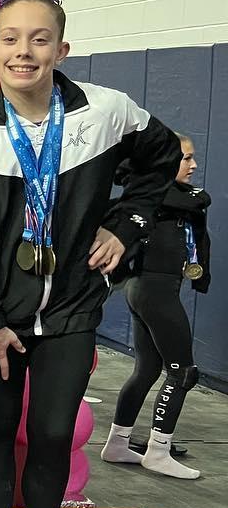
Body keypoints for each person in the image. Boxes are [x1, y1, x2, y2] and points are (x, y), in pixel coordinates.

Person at [0, 0, 179, 508]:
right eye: (11, 39)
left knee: (51, 431)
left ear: (62, 51)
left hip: (73, 307)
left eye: (40, 39)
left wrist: (128, 222)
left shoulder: (105, 113)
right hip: (1, 316)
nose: (25, 51)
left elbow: (160, 159)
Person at [103, 132, 211, 479]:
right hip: (154, 291)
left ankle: (118, 443)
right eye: (185, 159)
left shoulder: (170, 197)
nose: (193, 166)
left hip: (147, 289)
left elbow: (195, 202)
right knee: (183, 372)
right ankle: (158, 451)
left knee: (148, 369)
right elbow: (196, 199)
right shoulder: (160, 196)